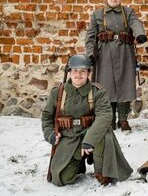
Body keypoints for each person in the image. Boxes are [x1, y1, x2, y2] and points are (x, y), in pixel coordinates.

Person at [41, 54, 133, 187]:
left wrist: (89, 140)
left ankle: (101, 171)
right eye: (75, 71)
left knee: (103, 134)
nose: (78, 75)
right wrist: (50, 134)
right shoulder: (57, 93)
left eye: (83, 71)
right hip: (69, 137)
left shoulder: (98, 92)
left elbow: (105, 116)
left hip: (92, 134)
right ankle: (78, 162)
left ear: (89, 73)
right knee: (62, 179)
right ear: (69, 72)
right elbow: (47, 116)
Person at [85, 0, 147, 131]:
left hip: (124, 52)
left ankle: (123, 119)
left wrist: (140, 34)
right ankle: (110, 119)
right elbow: (90, 37)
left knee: (124, 85)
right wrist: (90, 54)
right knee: (106, 86)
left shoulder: (128, 12)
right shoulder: (97, 14)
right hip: (104, 54)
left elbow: (135, 23)